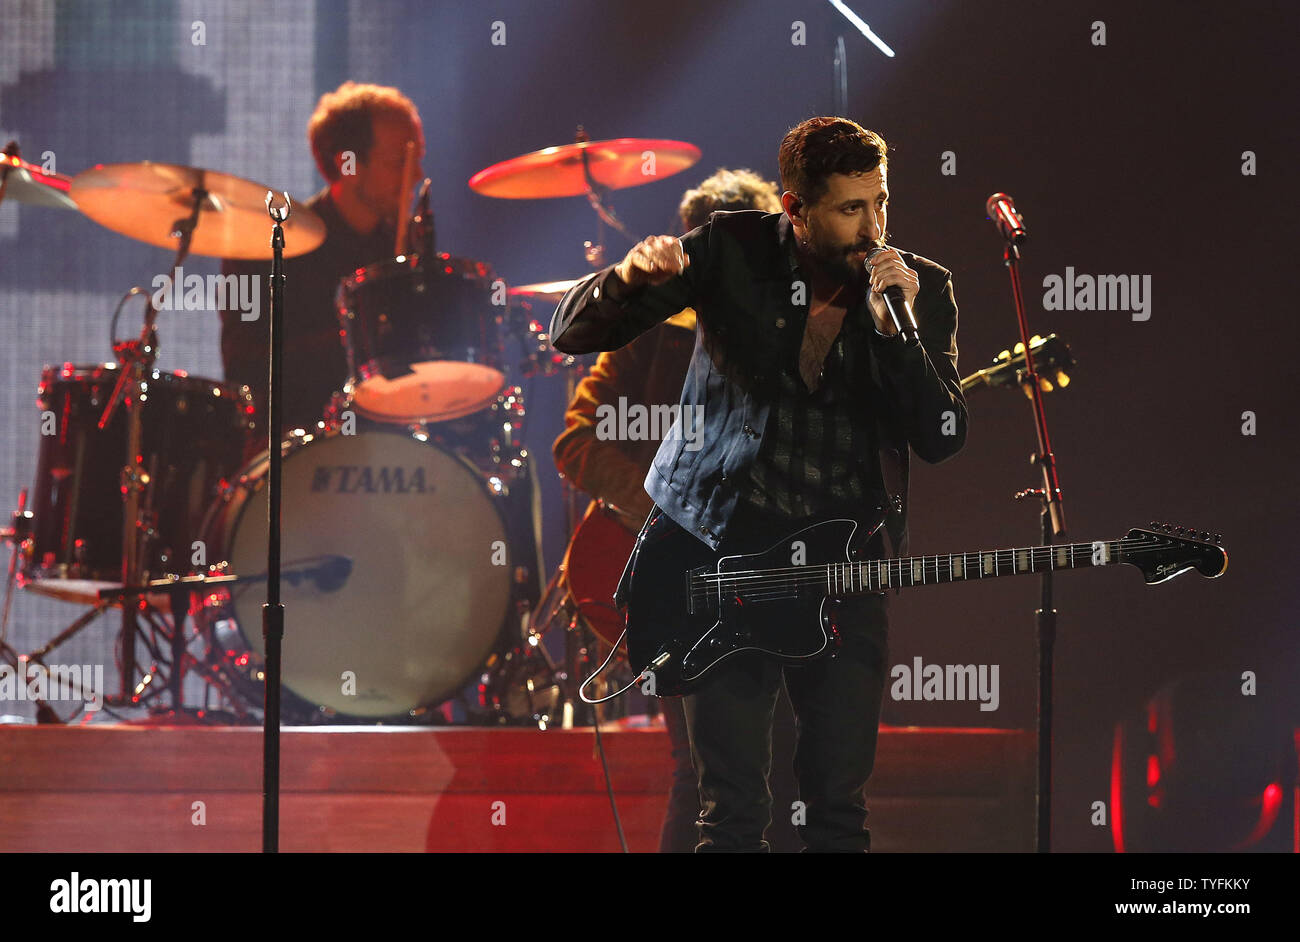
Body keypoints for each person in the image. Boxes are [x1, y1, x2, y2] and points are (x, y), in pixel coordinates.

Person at [550, 117, 968, 852]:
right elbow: (573, 333)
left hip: (846, 572)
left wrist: (896, 336)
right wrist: (623, 279)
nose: (873, 227)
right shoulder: (731, 253)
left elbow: (941, 437)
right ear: (794, 208)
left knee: (839, 811)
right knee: (732, 812)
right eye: (850, 209)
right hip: (720, 562)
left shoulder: (918, 289)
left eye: (882, 203)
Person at [552, 168, 800, 853]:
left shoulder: (799, 331)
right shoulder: (653, 331)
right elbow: (576, 438)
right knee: (701, 769)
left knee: (780, 765)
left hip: (769, 576)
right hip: (682, 577)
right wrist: (664, 504)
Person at [220, 81, 425, 451]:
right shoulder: (266, 249)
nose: (413, 177)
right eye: (399, 162)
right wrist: (360, 346)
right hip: (298, 455)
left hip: (394, 450)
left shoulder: (410, 253)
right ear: (347, 165)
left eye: (417, 160)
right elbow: (244, 373)